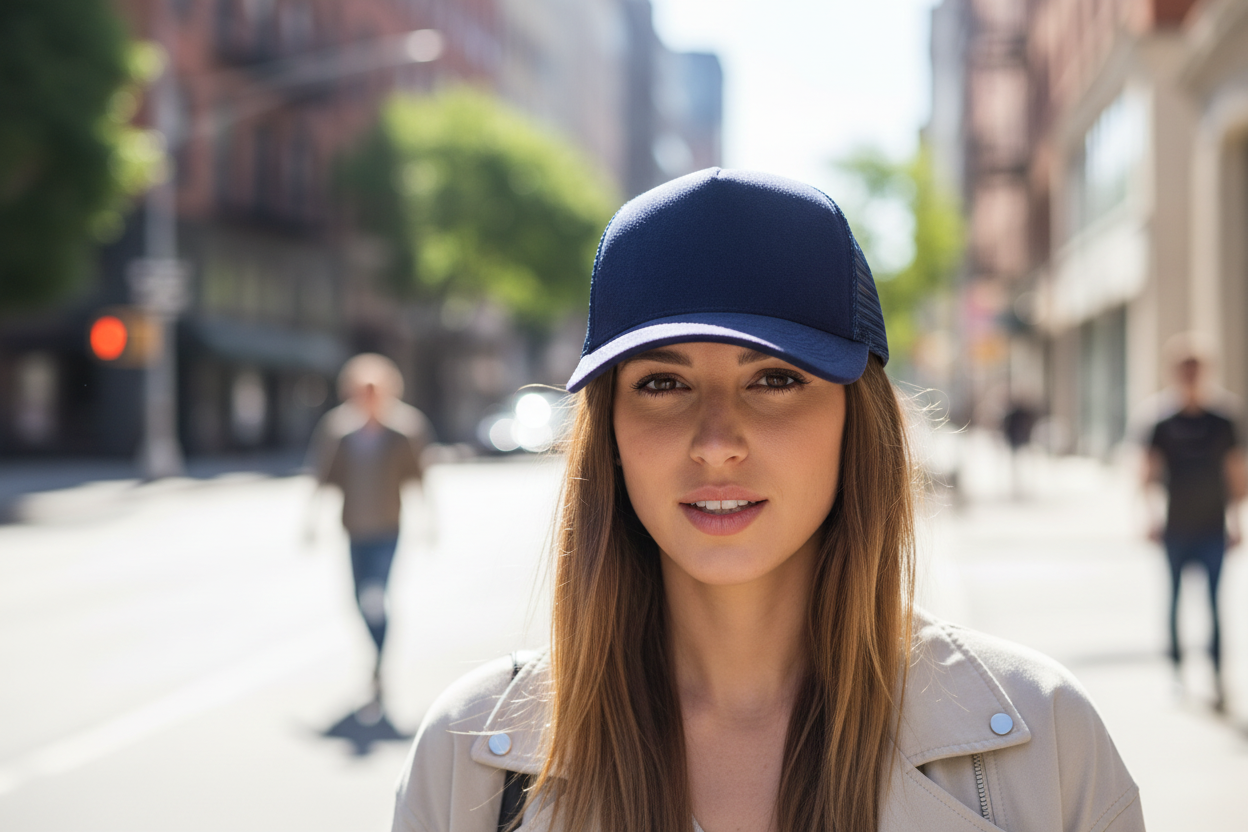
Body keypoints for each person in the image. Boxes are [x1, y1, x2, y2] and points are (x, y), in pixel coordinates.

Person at [393, 169, 1143, 831]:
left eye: (776, 379)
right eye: (662, 383)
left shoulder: (1041, 739)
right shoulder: (472, 763)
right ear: (609, 435)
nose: (717, 441)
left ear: (858, 421)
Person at [308, 353, 432, 717]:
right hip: (353, 528)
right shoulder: (339, 430)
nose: (367, 397)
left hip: (388, 527)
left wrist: (429, 519)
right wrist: (311, 519)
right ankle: (375, 658)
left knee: (375, 596)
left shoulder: (404, 430)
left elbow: (419, 477)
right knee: (359, 600)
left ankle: (379, 665)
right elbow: (323, 474)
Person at [1142, 335, 1246, 712]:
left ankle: (1218, 676)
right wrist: (1150, 516)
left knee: (1215, 605)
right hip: (1176, 527)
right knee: (1173, 601)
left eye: (1195, 368)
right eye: (1183, 369)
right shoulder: (1160, 419)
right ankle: (1177, 672)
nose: (1189, 375)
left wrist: (1237, 521)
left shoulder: (1223, 419)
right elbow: (1148, 473)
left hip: (1212, 527)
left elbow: (1236, 473)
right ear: (1173, 373)